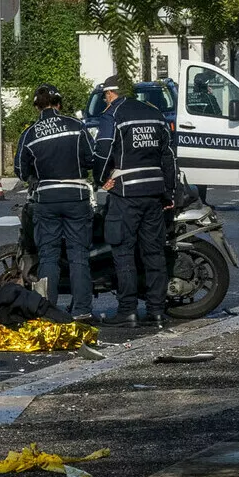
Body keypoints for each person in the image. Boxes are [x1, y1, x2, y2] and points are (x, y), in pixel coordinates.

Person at [94, 74, 177, 328]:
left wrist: (99, 178)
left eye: (105, 97)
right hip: (154, 193)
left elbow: (103, 150)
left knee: (123, 252)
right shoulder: (154, 114)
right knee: (154, 253)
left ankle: (128, 310)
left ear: (110, 94)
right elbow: (169, 156)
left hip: (126, 194)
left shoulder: (113, 115)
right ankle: (156, 310)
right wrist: (169, 192)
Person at [15, 84, 99, 320]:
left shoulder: (29, 134)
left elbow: (21, 171)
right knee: (78, 254)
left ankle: (48, 309)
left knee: (48, 255)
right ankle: (82, 309)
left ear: (36, 107)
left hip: (46, 199)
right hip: (76, 197)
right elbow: (91, 158)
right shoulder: (76, 126)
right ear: (59, 104)